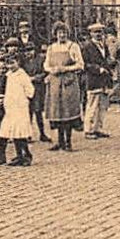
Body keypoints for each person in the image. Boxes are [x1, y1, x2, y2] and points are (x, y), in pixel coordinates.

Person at [42, 21, 85, 152]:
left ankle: (68, 142)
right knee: (57, 111)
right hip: (55, 82)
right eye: (60, 33)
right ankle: (59, 141)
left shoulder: (73, 46)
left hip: (68, 82)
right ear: (55, 34)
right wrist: (52, 70)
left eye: (64, 33)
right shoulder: (51, 48)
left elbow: (80, 65)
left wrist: (65, 68)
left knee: (68, 111)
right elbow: (45, 65)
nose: (62, 35)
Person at [0, 52, 36, 167]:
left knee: (19, 133)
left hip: (20, 108)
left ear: (18, 62)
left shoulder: (22, 75)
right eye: (8, 64)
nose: (10, 66)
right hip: (10, 108)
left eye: (12, 63)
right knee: (5, 131)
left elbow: (30, 91)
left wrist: (22, 99)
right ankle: (2, 156)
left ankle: (25, 156)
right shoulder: (9, 75)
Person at [16, 22, 51, 143]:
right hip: (26, 89)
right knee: (27, 112)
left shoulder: (40, 59)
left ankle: (42, 133)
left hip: (37, 88)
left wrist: (36, 78)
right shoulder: (22, 61)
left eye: (31, 50)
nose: (29, 53)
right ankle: (27, 134)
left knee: (38, 112)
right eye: (26, 51)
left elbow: (44, 72)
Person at [80, 23, 113, 140]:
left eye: (100, 32)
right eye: (96, 32)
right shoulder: (87, 47)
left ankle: (98, 128)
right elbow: (84, 64)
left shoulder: (104, 45)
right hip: (93, 79)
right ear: (91, 33)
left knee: (102, 106)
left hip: (104, 80)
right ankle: (89, 130)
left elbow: (107, 59)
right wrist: (98, 69)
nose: (98, 34)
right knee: (92, 105)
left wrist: (110, 64)